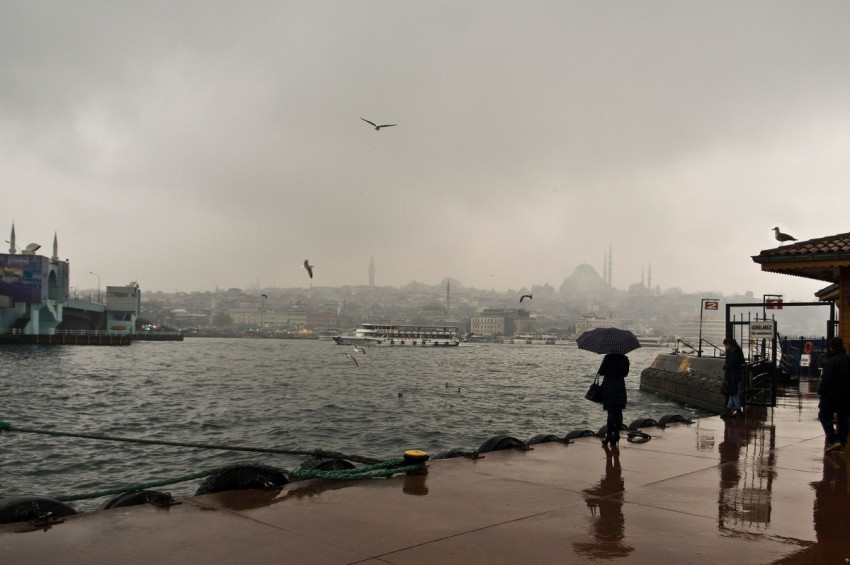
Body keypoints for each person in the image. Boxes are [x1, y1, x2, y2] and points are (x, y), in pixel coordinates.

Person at [818, 337, 850, 452]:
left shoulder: (830, 362)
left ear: (831, 347)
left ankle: (834, 440)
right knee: (844, 418)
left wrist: (821, 391)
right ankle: (841, 442)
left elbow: (825, 380)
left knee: (823, 416)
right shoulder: (848, 360)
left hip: (831, 396)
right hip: (847, 395)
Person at [598, 352, 629, 447]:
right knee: (618, 412)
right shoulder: (625, 358)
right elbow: (625, 373)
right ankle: (616, 435)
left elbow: (601, 372)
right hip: (619, 387)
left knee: (610, 413)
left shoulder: (608, 357)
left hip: (609, 387)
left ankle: (608, 437)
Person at [721, 337, 745, 418]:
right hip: (735, 374)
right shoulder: (736, 349)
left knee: (733, 392)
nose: (725, 347)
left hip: (733, 374)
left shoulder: (733, 351)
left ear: (728, 344)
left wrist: (726, 366)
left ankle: (738, 409)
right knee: (732, 392)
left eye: (725, 345)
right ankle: (728, 409)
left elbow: (732, 363)